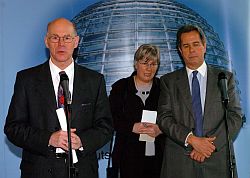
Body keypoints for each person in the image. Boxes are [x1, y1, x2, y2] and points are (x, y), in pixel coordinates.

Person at [4, 18, 113, 178]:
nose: (61, 43)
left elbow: (106, 127)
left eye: (67, 38)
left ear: (76, 42)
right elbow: (13, 128)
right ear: (46, 42)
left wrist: (82, 141)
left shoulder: (94, 80)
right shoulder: (26, 79)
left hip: (82, 171)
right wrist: (48, 139)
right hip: (38, 171)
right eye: (55, 37)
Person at [157, 24, 243, 178]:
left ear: (204, 46)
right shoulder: (168, 81)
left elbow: (235, 117)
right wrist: (191, 139)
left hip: (217, 162)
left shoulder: (225, 78)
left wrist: (208, 146)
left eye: (196, 44)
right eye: (186, 46)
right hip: (180, 164)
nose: (191, 50)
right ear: (180, 50)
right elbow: (164, 118)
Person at [109, 44, 165, 178]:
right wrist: (131, 127)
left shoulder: (164, 88)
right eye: (145, 63)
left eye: (153, 64)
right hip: (127, 157)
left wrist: (161, 129)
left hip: (158, 158)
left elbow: (173, 117)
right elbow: (109, 118)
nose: (149, 68)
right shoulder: (120, 87)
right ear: (136, 64)